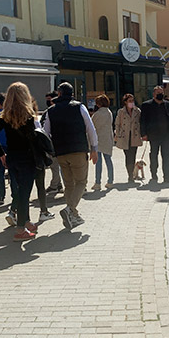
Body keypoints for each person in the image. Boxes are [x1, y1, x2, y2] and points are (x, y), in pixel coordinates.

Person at [0, 82, 40, 241]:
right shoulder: (29, 115)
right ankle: (20, 229)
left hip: (11, 157)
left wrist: (1, 153)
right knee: (25, 193)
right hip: (27, 158)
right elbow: (32, 139)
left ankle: (26, 221)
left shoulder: (5, 115)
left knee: (19, 191)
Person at [44, 82, 98, 229]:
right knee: (81, 182)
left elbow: (45, 132)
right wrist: (94, 147)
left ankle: (73, 215)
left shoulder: (51, 111)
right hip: (78, 150)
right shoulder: (79, 107)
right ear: (72, 93)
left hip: (60, 153)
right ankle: (70, 210)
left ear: (59, 94)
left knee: (68, 184)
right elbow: (90, 128)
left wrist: (50, 151)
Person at [140, 85, 169, 184]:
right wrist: (143, 134)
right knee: (153, 156)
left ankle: (167, 176)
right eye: (158, 93)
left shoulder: (168, 105)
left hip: (166, 135)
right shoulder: (147, 105)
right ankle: (154, 176)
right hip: (153, 135)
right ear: (153, 94)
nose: (160, 95)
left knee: (166, 157)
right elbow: (143, 120)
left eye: (161, 93)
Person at [114, 93, 142, 183]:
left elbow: (141, 122)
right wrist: (117, 134)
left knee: (133, 156)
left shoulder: (137, 111)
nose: (131, 102)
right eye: (129, 101)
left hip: (134, 136)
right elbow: (117, 124)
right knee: (127, 156)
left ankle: (132, 175)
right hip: (124, 136)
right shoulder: (121, 112)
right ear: (125, 102)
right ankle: (130, 174)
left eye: (132, 100)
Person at [91, 94, 115, 190]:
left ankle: (97, 183)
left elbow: (92, 126)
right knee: (108, 161)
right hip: (107, 139)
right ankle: (110, 181)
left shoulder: (97, 114)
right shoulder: (109, 112)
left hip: (98, 140)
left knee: (98, 162)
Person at [42, 92, 63, 195]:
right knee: (56, 166)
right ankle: (58, 185)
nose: (48, 102)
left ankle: (55, 185)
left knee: (55, 166)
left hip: (54, 144)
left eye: (49, 99)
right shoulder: (51, 111)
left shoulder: (51, 112)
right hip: (56, 143)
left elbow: (45, 130)